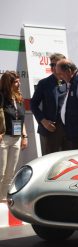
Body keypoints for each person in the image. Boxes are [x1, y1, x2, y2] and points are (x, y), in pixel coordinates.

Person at [30, 53, 68, 154]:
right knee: (50, 161)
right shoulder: (44, 83)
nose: (54, 68)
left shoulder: (71, 82)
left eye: (56, 65)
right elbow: (33, 104)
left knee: (69, 161)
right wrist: (43, 121)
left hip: (69, 129)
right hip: (51, 129)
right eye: (52, 65)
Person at [0, 71, 28, 200]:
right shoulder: (1, 96)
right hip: (3, 139)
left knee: (10, 173)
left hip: (16, 138)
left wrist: (24, 136)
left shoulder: (18, 97)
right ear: (8, 84)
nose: (19, 83)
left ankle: (3, 199)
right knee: (1, 172)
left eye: (18, 81)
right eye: (16, 81)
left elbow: (21, 119)